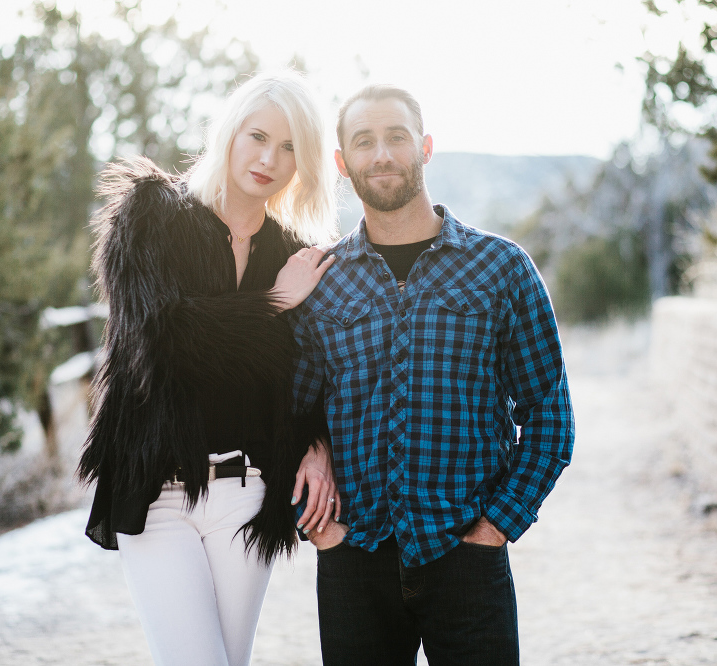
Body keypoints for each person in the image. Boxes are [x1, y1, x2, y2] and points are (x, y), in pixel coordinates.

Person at [291, 84, 576, 665]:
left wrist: (495, 528)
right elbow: (286, 412)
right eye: (364, 142)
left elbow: (549, 415)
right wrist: (322, 529)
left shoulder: (501, 268)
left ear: (424, 148)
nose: (383, 155)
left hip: (466, 559)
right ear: (343, 164)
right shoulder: (322, 281)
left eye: (397, 137)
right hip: (355, 562)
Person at [77, 72, 341, 666]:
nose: (270, 158)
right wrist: (273, 303)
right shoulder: (150, 214)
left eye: (291, 146)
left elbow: (310, 374)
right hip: (158, 491)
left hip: (247, 492)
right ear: (229, 132)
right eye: (258, 136)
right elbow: (162, 337)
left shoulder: (292, 254)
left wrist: (318, 444)